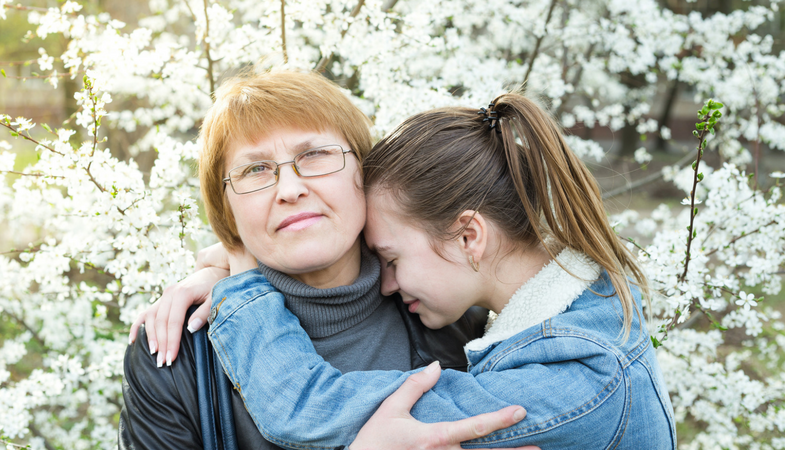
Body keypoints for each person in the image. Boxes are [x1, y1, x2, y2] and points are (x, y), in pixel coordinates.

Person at [193, 94, 677, 449]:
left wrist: (241, 281)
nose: (385, 282)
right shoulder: (585, 312)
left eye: (393, 259)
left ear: (469, 237)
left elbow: (304, 408)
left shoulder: (573, 376)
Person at [119, 70, 535, 450]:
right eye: (256, 170)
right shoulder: (175, 357)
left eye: (315, 155)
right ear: (227, 211)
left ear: (365, 173)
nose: (290, 188)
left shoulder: (460, 309)